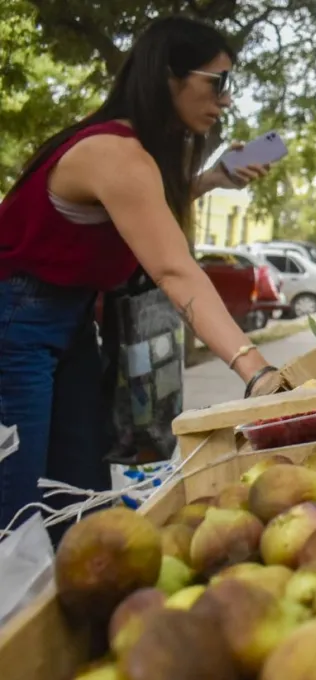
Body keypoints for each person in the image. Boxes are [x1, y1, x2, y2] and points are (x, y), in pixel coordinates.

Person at [0, 16, 286, 533]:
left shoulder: (138, 154)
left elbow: (143, 208)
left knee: (79, 495)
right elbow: (175, 270)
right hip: (15, 323)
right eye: (217, 82)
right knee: (14, 506)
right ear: (168, 76)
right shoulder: (115, 152)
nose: (225, 100)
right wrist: (257, 371)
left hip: (68, 321)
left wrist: (213, 178)